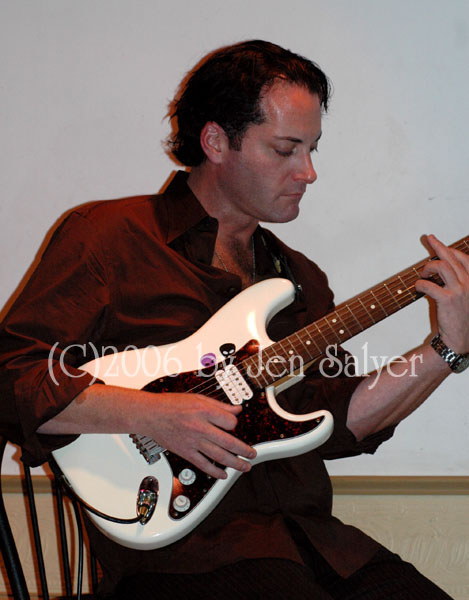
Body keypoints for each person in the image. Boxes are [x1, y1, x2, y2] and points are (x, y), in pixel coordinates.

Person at [0, 40, 467, 599]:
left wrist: (446, 349)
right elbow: (11, 374)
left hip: (315, 543)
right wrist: (154, 414)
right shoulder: (109, 238)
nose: (309, 172)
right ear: (217, 141)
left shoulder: (299, 279)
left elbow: (339, 421)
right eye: (286, 149)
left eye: (313, 149)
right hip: (181, 562)